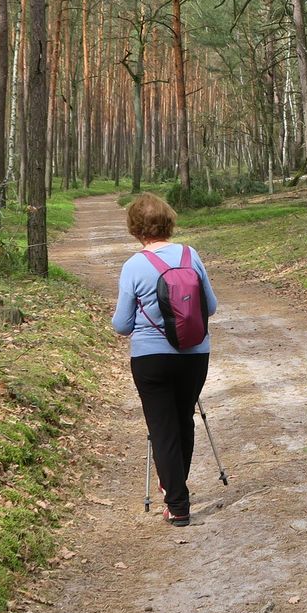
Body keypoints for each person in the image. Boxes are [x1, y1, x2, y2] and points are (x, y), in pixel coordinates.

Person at [111, 192, 219, 526]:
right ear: (168, 221)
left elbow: (122, 325)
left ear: (135, 228)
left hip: (151, 358)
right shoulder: (190, 255)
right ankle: (175, 486)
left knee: (162, 427)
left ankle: (177, 502)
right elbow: (211, 307)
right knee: (183, 419)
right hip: (194, 354)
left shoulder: (134, 266)